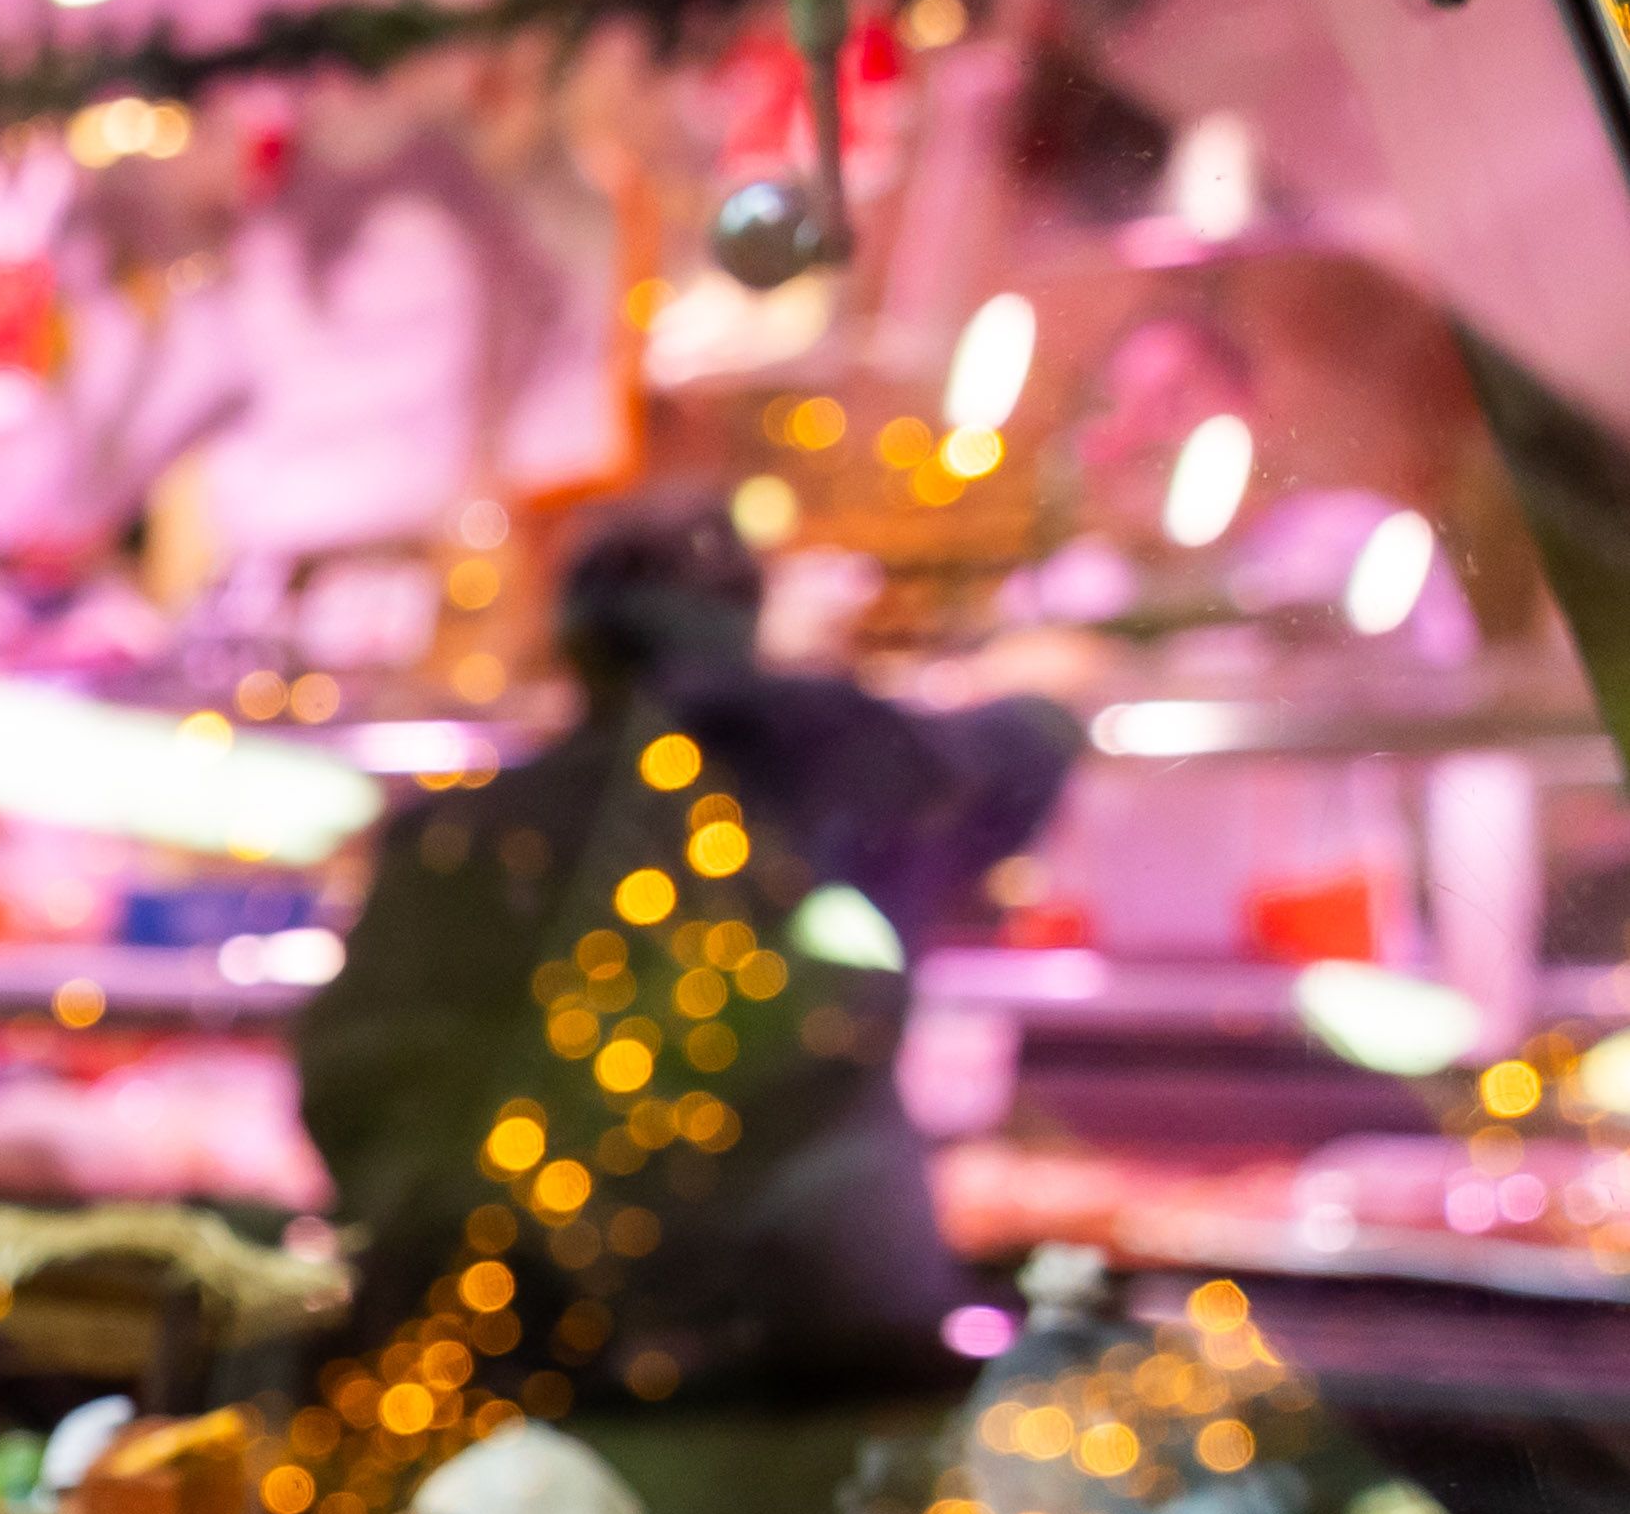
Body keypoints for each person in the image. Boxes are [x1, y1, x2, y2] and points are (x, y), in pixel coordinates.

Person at [297, 494, 1075, 1412]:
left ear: (572, 645)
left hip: (533, 1361)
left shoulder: (466, 838)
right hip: (818, 1355)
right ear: (748, 625)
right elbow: (1036, 742)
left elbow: (341, 1088)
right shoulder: (848, 764)